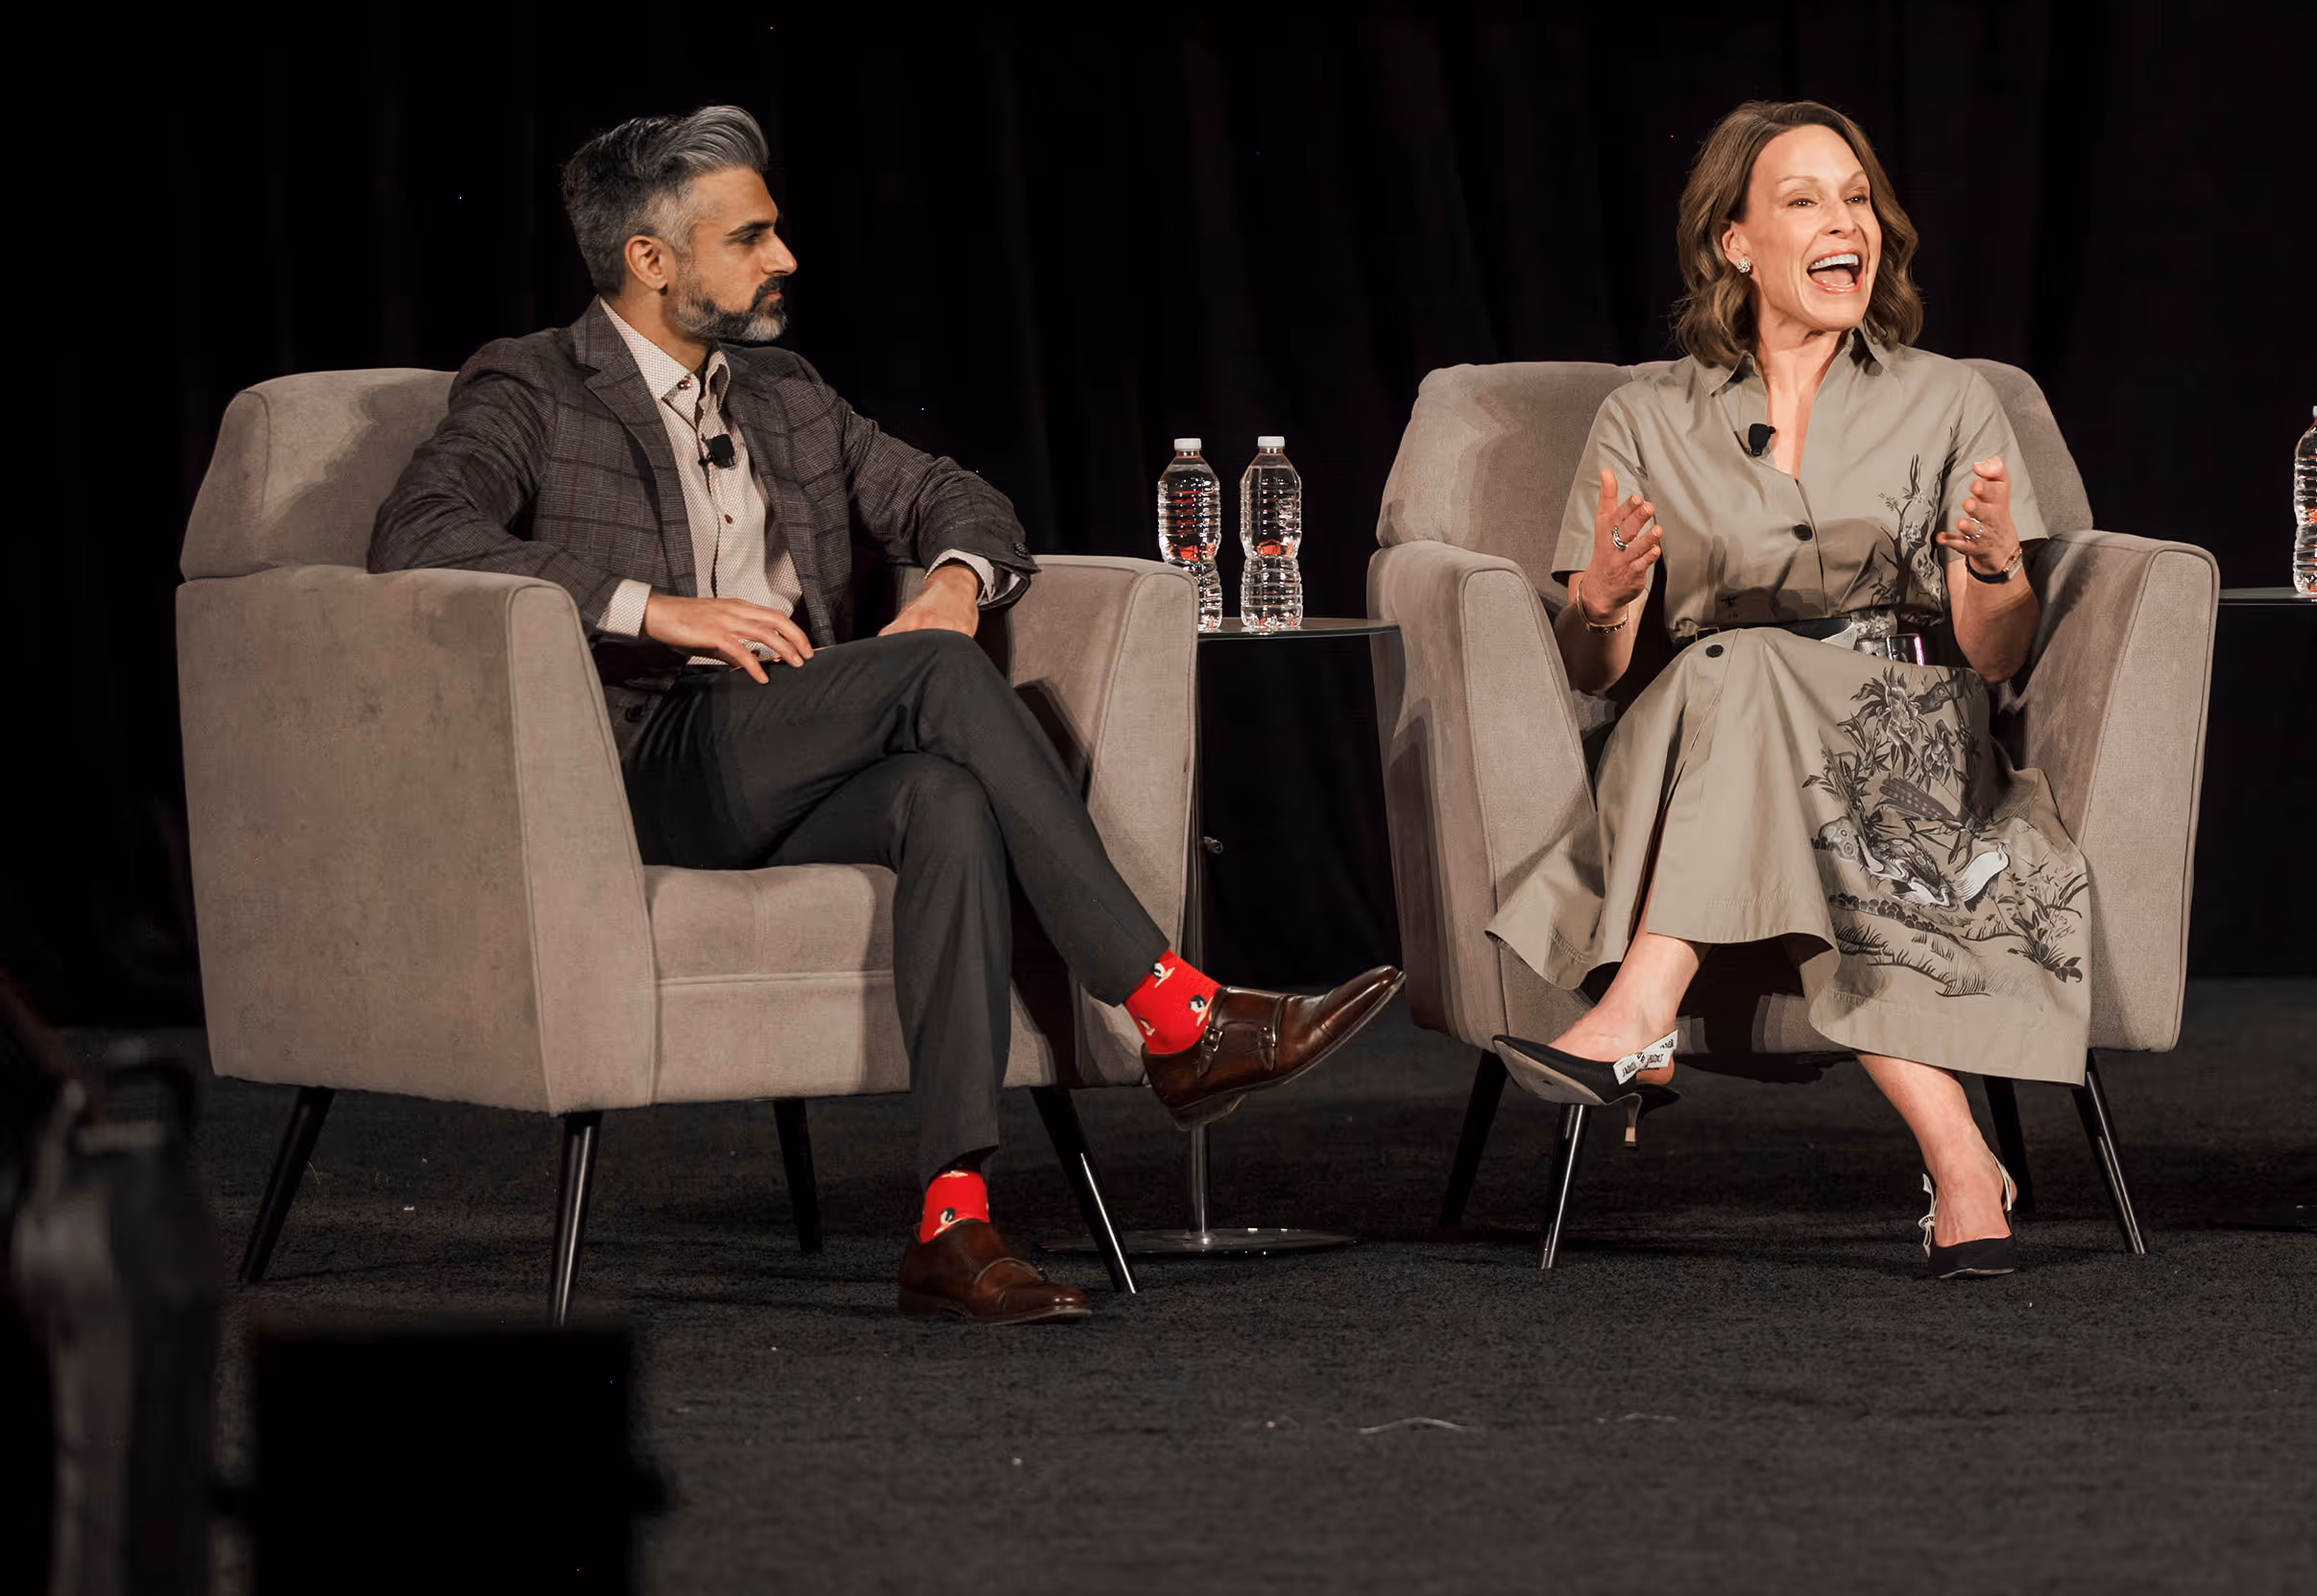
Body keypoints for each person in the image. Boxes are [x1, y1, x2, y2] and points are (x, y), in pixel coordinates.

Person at [367, 106, 1398, 1326]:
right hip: (643, 757)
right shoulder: (534, 383)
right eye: (749, 237)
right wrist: (659, 610)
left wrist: (958, 579)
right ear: (650, 259)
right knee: (932, 676)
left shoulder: (791, 396)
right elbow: (418, 533)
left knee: (946, 800)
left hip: (793, 747)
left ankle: (952, 1220)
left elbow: (959, 496)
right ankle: (1175, 1009)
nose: (784, 257)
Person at [1482, 100, 2090, 1279]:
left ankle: (1637, 1008)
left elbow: (1999, 654)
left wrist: (1995, 565)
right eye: (1805, 198)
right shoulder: (1646, 415)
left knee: (1749, 676)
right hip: (1709, 731)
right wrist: (1602, 596)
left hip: (1902, 728)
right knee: (1741, 668)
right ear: (1736, 241)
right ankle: (1962, 1159)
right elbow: (1594, 668)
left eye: (1857, 196)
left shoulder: (1952, 397)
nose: (1843, 221)